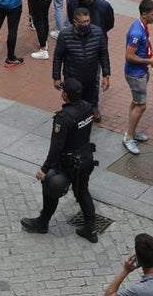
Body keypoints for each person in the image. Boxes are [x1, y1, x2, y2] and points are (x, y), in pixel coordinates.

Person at [20, 78, 99, 241]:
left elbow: (56, 148)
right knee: (82, 191)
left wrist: (44, 169)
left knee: (51, 188)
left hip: (68, 163)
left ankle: (42, 223)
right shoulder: (88, 108)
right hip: (86, 158)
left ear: (65, 95)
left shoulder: (63, 118)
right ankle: (90, 230)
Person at [52, 6, 111, 123]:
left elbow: (103, 54)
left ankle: (93, 109)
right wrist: (56, 77)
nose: (86, 24)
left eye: (88, 21)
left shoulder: (98, 33)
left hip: (91, 74)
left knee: (92, 96)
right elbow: (58, 57)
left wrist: (106, 74)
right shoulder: (65, 35)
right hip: (73, 75)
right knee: (73, 99)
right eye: (83, 22)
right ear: (75, 22)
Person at [122, 0, 153, 155]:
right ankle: (129, 137)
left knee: (136, 102)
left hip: (141, 71)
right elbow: (129, 56)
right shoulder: (137, 32)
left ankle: (131, 131)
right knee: (141, 105)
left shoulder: (141, 27)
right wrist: (148, 61)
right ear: (144, 14)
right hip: (136, 74)